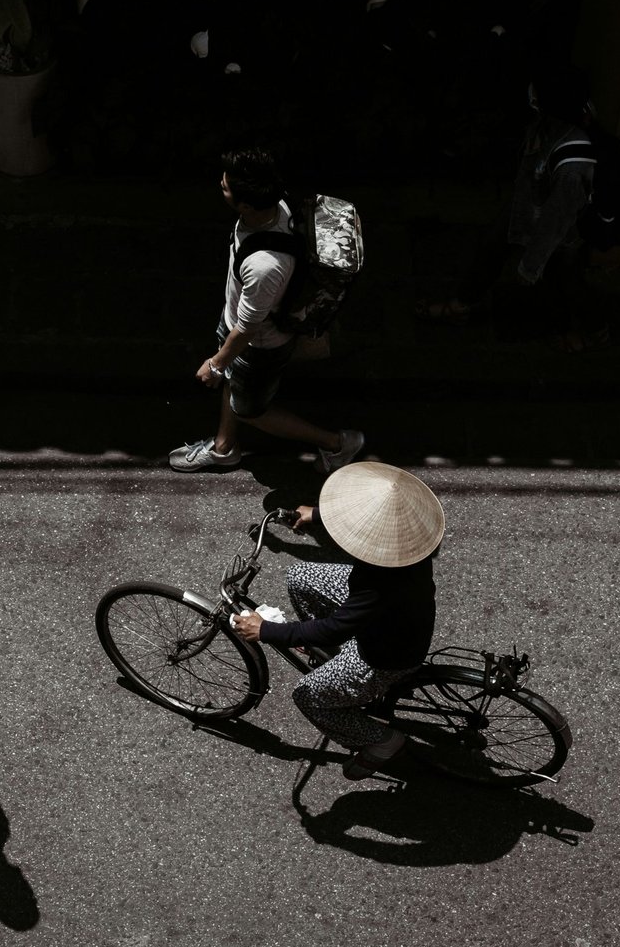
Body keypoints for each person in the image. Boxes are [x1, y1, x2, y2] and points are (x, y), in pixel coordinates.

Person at [230, 461, 443, 779]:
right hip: (397, 617)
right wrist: (316, 515)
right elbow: (366, 519)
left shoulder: (379, 580)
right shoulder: (414, 537)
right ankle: (326, 656)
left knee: (306, 696)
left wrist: (268, 630)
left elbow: (337, 626)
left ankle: (383, 742)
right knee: (302, 574)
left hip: (384, 655)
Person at [170, 147, 364, 474]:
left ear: (244, 204)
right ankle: (224, 448)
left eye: (226, 186)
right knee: (237, 378)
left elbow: (246, 331)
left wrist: (216, 365)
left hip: (257, 345)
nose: (221, 183)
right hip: (241, 321)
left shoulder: (264, 267)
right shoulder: (279, 205)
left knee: (250, 409)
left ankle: (338, 444)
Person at [416, 65, 606, 351]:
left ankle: (594, 332)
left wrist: (530, 265)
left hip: (560, 227)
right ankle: (460, 305)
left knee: (566, 278)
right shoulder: (549, 125)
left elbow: (558, 219)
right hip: (529, 207)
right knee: (492, 246)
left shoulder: (573, 160)